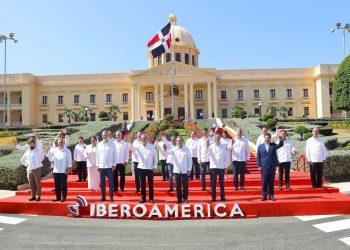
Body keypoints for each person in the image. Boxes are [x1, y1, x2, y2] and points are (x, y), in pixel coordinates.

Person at [129, 134, 157, 203]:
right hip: (141, 168)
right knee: (142, 184)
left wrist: (155, 166)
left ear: (147, 139)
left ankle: (151, 198)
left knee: (151, 184)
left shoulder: (151, 146)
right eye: (142, 138)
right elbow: (132, 149)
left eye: (144, 138)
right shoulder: (138, 146)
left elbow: (155, 157)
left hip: (149, 168)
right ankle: (143, 198)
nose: (143, 140)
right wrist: (131, 143)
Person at [257, 133, 284, 201]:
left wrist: (281, 139)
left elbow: (280, 145)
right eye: (266, 138)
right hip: (264, 167)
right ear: (264, 138)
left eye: (268, 138)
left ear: (270, 138)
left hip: (272, 167)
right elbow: (258, 157)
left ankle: (271, 195)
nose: (267, 139)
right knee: (264, 182)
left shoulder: (273, 145)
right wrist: (259, 166)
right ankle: (264, 196)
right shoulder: (260, 146)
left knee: (271, 182)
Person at [165, 136, 192, 203]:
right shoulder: (174, 149)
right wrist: (165, 149)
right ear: (176, 142)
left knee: (185, 186)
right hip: (176, 171)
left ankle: (185, 198)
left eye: (180, 141)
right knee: (178, 186)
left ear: (182, 141)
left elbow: (190, 161)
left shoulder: (187, 150)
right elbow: (167, 153)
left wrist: (189, 169)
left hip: (185, 171)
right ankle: (179, 199)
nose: (179, 142)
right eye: (177, 141)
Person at [96, 130, 117, 202]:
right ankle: (103, 197)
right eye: (103, 135)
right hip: (101, 166)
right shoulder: (99, 144)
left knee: (111, 182)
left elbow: (115, 155)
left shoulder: (112, 144)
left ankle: (111, 197)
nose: (104, 137)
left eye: (105, 135)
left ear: (108, 135)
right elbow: (97, 155)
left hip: (109, 166)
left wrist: (114, 164)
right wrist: (97, 165)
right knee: (102, 183)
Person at [50, 138, 72, 202]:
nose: (60, 144)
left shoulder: (67, 151)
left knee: (63, 185)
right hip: (56, 171)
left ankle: (64, 197)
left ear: (64, 143)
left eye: (61, 142)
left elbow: (69, 161)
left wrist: (68, 168)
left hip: (63, 171)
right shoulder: (55, 150)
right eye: (59, 142)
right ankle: (58, 197)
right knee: (57, 185)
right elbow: (52, 159)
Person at [208, 134, 228, 202]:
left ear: (220, 139)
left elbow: (225, 157)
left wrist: (225, 167)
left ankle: (222, 197)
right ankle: (213, 197)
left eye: (218, 138)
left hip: (221, 167)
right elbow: (207, 153)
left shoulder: (223, 146)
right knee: (213, 183)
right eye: (216, 138)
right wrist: (207, 147)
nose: (217, 140)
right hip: (213, 167)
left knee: (221, 183)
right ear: (214, 139)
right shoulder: (211, 146)